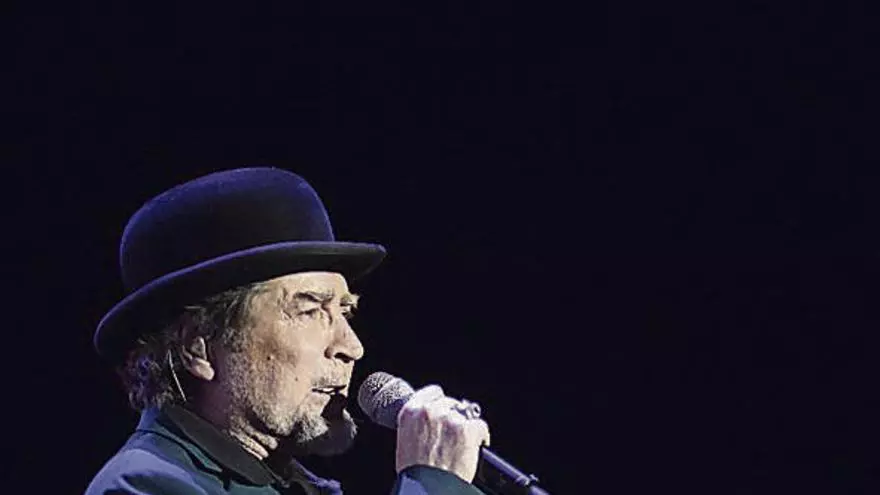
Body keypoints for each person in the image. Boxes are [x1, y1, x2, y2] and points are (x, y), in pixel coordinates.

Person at [85, 167, 491, 494]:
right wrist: (434, 485)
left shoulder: (292, 485)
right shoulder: (144, 485)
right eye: (311, 310)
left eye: (345, 312)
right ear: (199, 347)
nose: (352, 347)